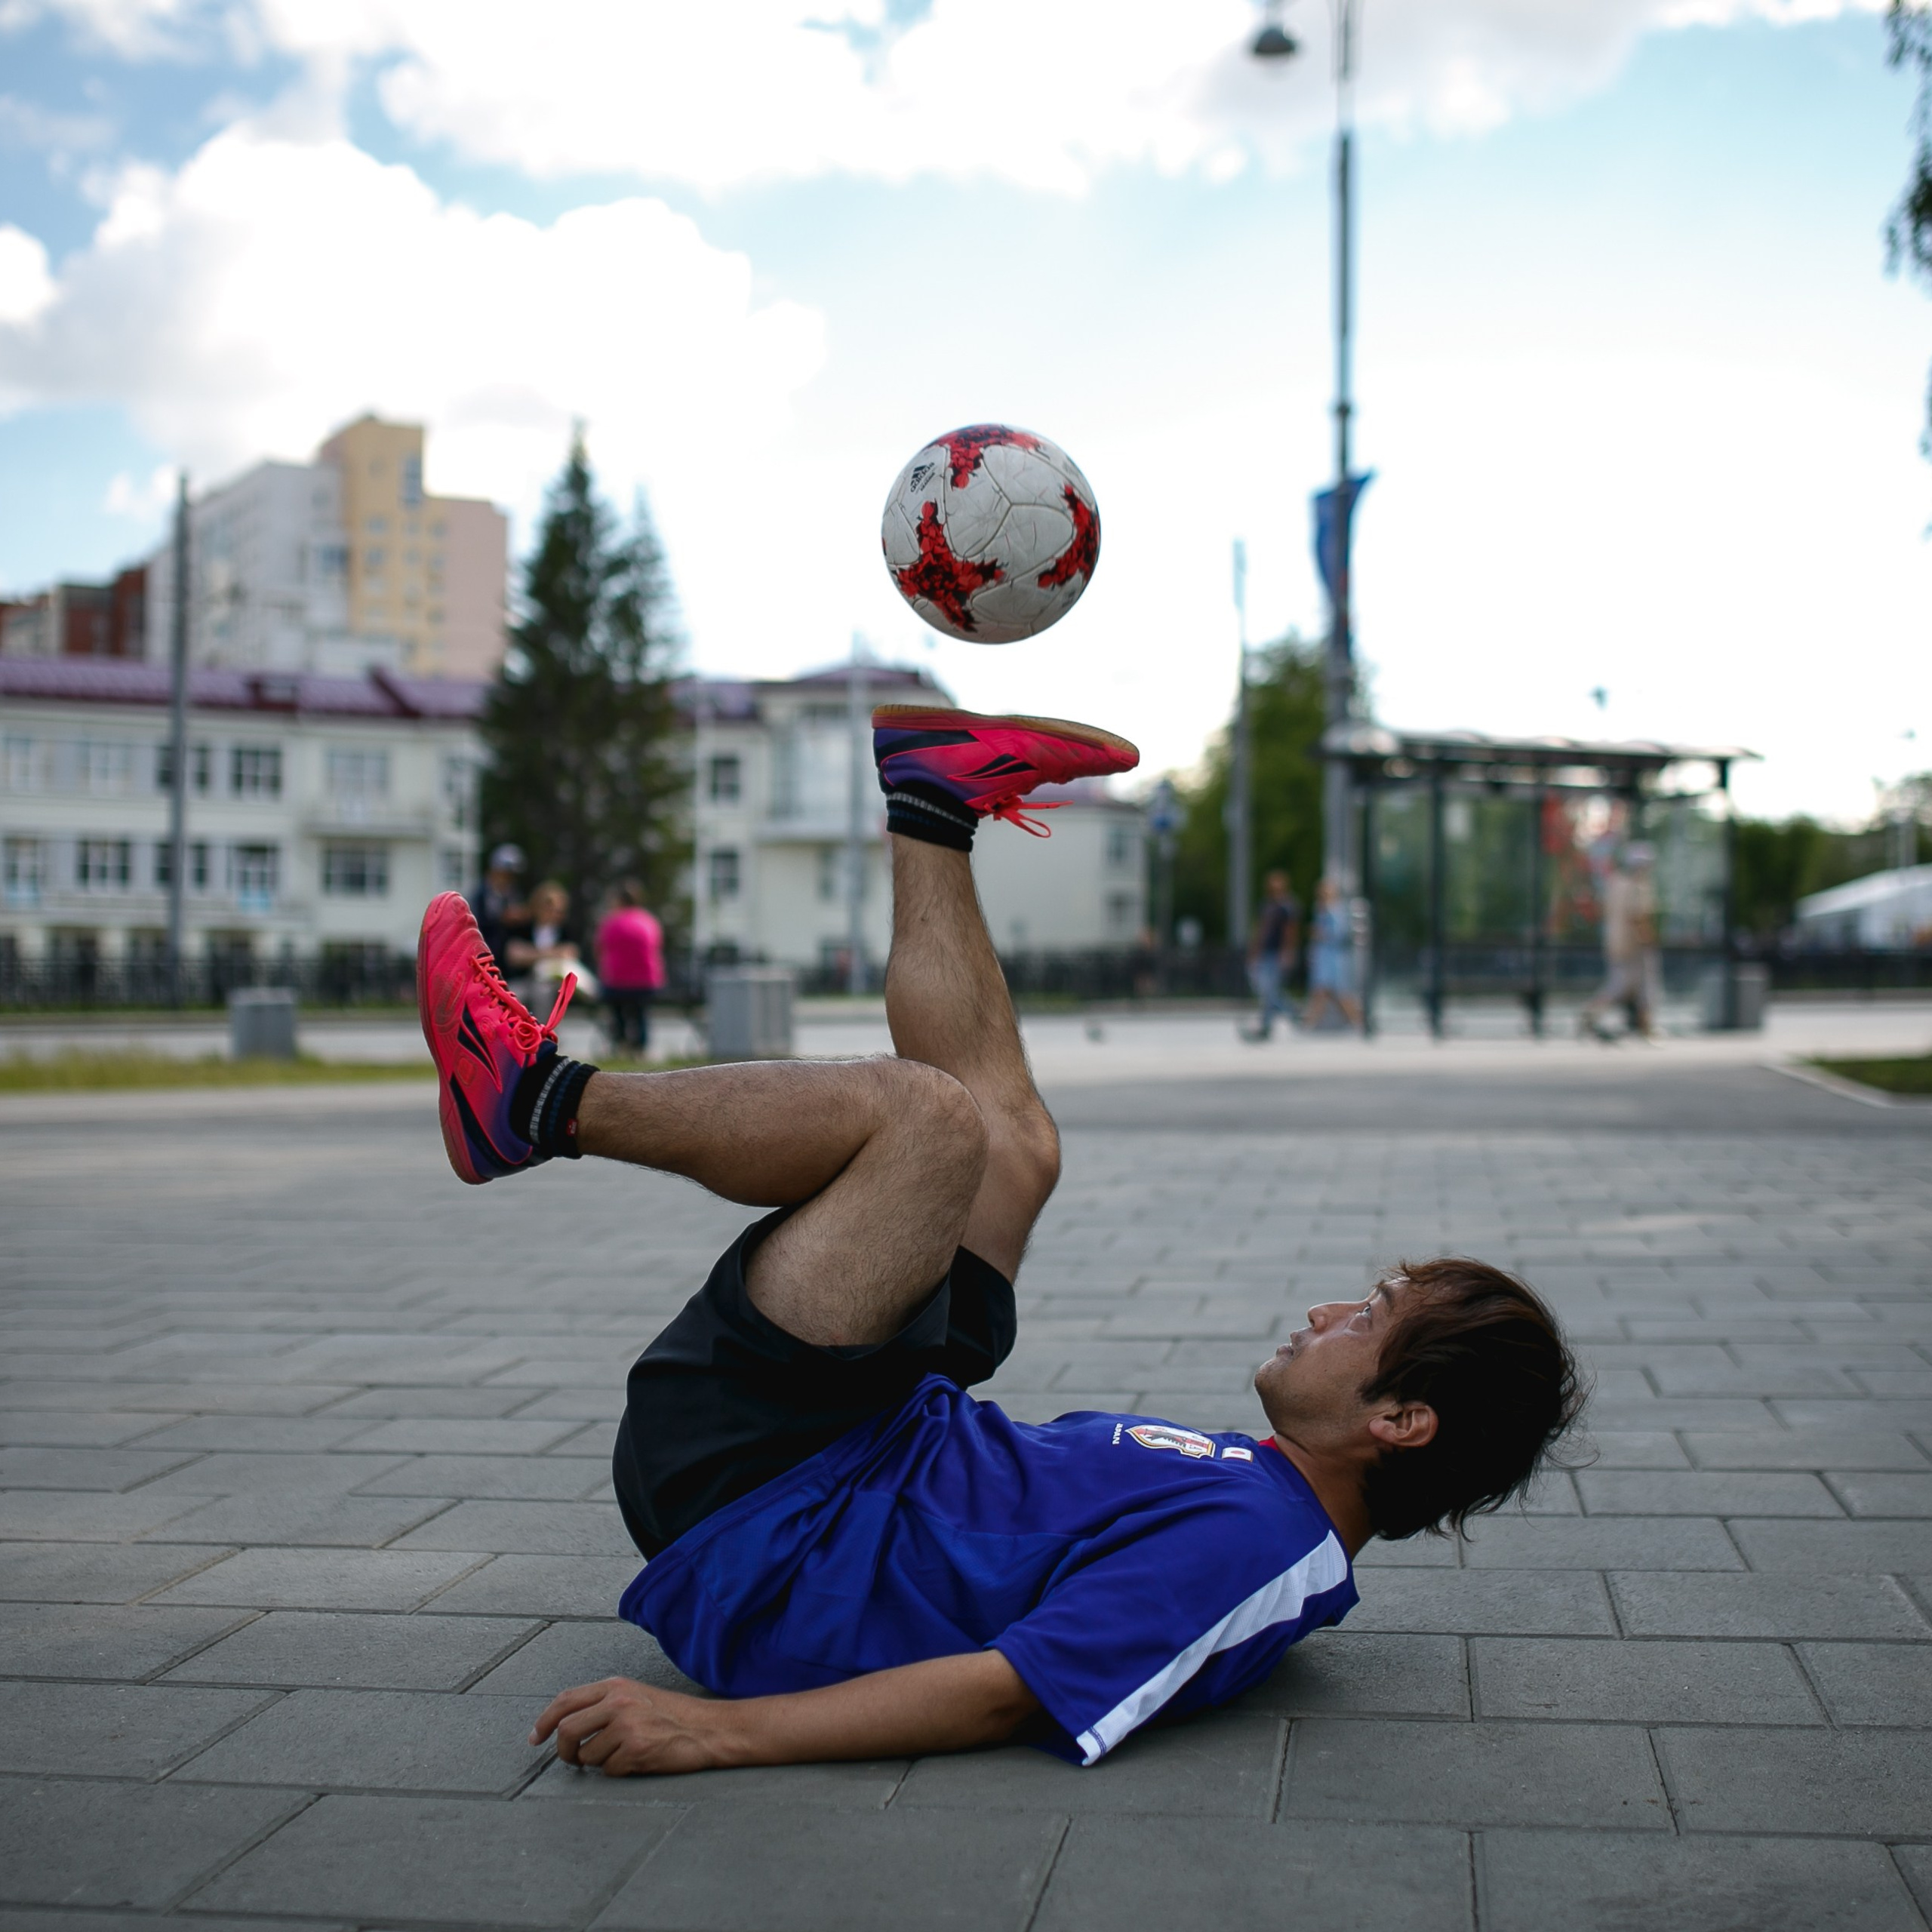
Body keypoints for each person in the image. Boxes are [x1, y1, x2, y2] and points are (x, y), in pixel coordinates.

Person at [416, 703, 1582, 1778]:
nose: (1332, 1311)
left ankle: (534, 1102)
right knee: (1014, 1145)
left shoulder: (1262, 1549)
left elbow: (1007, 1694)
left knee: (924, 1122)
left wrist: (720, 1733)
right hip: (872, 1442)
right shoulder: (1271, 1497)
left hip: (768, 1515)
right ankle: (931, 804)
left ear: (1401, 1421)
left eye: (1371, 1316)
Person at [1579, 842, 1660, 1041]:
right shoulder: (1638, 886)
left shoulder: (1615, 883)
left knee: (1621, 987)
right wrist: (1650, 940)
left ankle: (1593, 1014)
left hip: (1615, 944)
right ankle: (1646, 1029)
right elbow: (1638, 916)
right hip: (1635, 947)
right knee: (1645, 988)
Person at [597, 881, 666, 1055]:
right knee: (641, 1015)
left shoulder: (611, 922)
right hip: (646, 981)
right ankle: (640, 1048)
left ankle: (620, 1043)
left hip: (617, 981)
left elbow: (600, 948)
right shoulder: (649, 921)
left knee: (618, 1015)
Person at [1241, 870, 1301, 1041]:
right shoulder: (1266, 905)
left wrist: (1288, 952)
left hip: (1277, 953)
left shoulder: (1288, 906)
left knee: (1269, 992)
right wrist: (1254, 950)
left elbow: (1290, 932)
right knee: (1267, 991)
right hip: (1265, 952)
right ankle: (1292, 1012)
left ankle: (1267, 1027)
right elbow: (1260, 930)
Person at [1302, 877, 1364, 1032]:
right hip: (1324, 958)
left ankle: (1359, 1023)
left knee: (1338, 994)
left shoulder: (1336, 910)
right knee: (1325, 994)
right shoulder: (1320, 910)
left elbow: (1339, 934)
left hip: (1333, 959)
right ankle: (1308, 1025)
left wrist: (1321, 934)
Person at [506, 880, 583, 1004]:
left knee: (542, 993)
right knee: (512, 993)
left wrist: (530, 954)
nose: (554, 914)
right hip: (524, 979)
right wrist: (553, 953)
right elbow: (514, 956)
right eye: (549, 908)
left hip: (552, 983)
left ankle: (542, 1025)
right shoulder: (523, 928)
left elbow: (571, 953)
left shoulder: (565, 931)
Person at [466, 844, 528, 974]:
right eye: (506, 874)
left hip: (505, 963)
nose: (509, 880)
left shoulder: (512, 894)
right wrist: (502, 919)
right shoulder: (481, 896)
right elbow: (475, 925)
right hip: (483, 958)